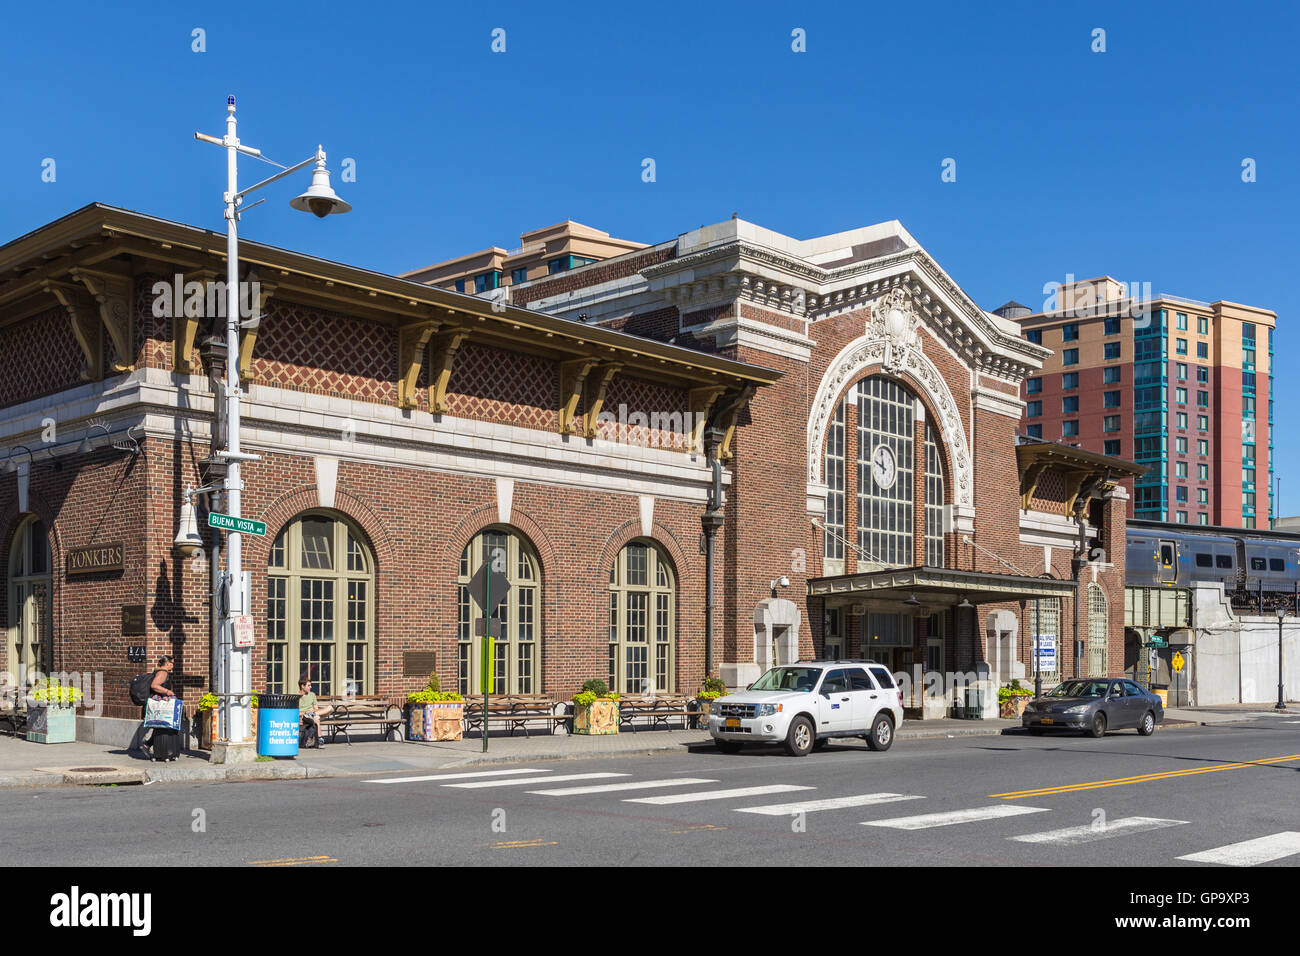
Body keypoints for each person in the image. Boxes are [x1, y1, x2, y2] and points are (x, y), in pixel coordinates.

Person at [143, 655, 179, 762]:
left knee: (161, 726)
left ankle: (147, 744)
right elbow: (154, 685)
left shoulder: (160, 672)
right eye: (172, 663)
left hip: (160, 704)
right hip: (160, 705)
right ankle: (147, 744)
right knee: (162, 726)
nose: (173, 665)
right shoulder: (163, 673)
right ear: (167, 663)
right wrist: (168, 692)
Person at [298, 676, 333, 748]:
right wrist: (305, 712)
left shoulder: (312, 695)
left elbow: (316, 709)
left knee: (330, 708)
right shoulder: (296, 697)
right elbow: (296, 713)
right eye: (308, 685)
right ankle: (319, 739)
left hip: (313, 714)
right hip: (303, 717)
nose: (310, 687)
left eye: (310, 685)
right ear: (302, 686)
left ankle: (319, 739)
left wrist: (312, 712)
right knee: (317, 718)